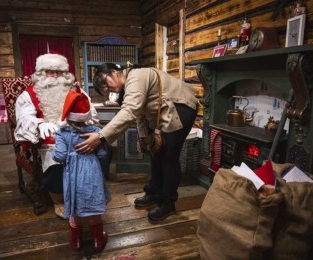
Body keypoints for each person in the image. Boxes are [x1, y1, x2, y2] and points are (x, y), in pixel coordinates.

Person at [75, 63, 198, 221]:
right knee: (155, 151)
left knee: (169, 157)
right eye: (103, 88)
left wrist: (100, 136)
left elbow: (130, 111)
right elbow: (140, 115)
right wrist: (144, 139)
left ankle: (168, 204)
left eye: (105, 82)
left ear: (114, 72)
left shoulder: (135, 76)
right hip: (166, 110)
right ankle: (154, 192)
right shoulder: (129, 85)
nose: (107, 89)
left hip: (181, 106)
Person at [14, 52, 112, 218]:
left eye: (59, 72)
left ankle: (91, 190)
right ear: (41, 74)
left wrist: (84, 125)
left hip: (79, 133)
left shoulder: (77, 91)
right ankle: (59, 199)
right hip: (50, 140)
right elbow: (24, 118)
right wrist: (39, 124)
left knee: (104, 151)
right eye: (50, 72)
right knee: (57, 158)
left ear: (65, 74)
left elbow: (91, 113)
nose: (55, 76)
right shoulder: (28, 95)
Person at [52, 90, 110, 252]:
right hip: (92, 172)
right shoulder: (96, 132)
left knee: (74, 207)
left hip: (72, 174)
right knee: (93, 206)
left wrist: (55, 151)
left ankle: (76, 241)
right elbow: (103, 154)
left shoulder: (62, 133)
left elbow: (60, 156)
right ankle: (98, 240)